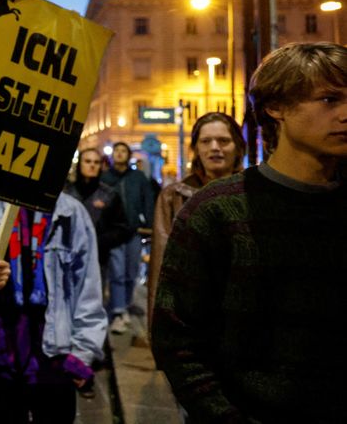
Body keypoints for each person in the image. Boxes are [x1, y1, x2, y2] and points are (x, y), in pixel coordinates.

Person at [151, 42, 347, 423]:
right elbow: (177, 341)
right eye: (328, 100)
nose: (344, 113)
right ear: (277, 108)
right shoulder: (215, 211)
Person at [0, 193, 107, 423]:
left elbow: (87, 287)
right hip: (5, 353)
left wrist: (83, 351)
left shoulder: (71, 213)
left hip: (54, 357)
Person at [146, 112, 244, 329]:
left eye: (224, 141)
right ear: (197, 149)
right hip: (191, 316)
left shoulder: (254, 194)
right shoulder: (174, 197)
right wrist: (160, 328)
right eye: (206, 141)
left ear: (237, 147)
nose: (215, 147)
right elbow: (161, 267)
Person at [100, 141, 154, 333]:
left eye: (123, 151)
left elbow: (148, 199)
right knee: (117, 273)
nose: (120, 154)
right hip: (115, 233)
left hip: (134, 231)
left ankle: (125, 303)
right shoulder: (105, 177)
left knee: (131, 272)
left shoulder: (138, 177)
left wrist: (148, 223)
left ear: (128, 155)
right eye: (117, 151)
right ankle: (118, 311)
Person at [64, 148, 134, 273]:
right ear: (80, 164)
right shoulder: (66, 193)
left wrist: (98, 241)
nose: (92, 165)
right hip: (66, 255)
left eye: (96, 162)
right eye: (88, 161)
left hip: (97, 260)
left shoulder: (109, 194)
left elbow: (122, 228)